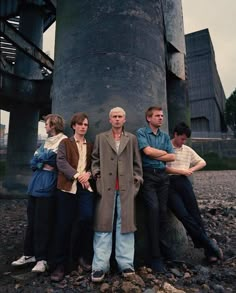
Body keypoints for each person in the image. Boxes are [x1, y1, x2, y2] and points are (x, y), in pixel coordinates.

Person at [91, 107, 143, 283]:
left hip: (127, 189)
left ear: (125, 119)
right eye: (114, 116)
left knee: (126, 225)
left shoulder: (132, 139)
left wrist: (136, 181)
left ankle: (126, 264)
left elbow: (137, 163)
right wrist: (98, 177)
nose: (117, 119)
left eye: (120, 116)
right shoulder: (100, 138)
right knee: (103, 225)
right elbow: (95, 161)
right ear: (109, 119)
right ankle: (99, 266)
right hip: (106, 188)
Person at [11, 114, 67, 273]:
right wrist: (42, 161)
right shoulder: (46, 142)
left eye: (47, 124)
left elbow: (52, 160)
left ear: (53, 125)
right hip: (35, 185)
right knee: (32, 222)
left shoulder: (62, 141)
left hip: (47, 186)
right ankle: (28, 254)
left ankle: (42, 258)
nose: (45, 126)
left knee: (43, 223)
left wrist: (40, 160)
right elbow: (33, 162)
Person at [166, 122, 223, 263]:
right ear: (175, 135)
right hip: (169, 184)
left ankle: (209, 250)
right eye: (182, 138)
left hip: (184, 183)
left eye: (185, 139)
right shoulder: (166, 146)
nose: (183, 141)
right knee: (183, 216)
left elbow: (202, 162)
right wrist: (182, 171)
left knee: (195, 215)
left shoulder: (187, 149)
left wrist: (191, 170)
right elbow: (162, 167)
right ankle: (209, 244)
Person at [50, 112, 95, 282]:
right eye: (80, 124)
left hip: (85, 188)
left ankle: (83, 256)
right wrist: (78, 176)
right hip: (67, 188)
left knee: (87, 218)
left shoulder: (90, 146)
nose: (83, 127)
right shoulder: (65, 143)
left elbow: (93, 164)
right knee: (63, 226)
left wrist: (89, 174)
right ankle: (60, 266)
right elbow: (61, 162)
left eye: (86, 124)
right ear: (74, 126)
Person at [136, 106, 175, 273]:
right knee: (153, 210)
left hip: (163, 177)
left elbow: (172, 156)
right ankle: (155, 257)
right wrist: (162, 153)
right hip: (148, 176)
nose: (161, 118)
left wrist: (155, 153)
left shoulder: (165, 136)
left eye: (162, 115)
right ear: (148, 118)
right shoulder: (142, 133)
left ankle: (164, 251)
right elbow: (147, 151)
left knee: (163, 213)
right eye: (157, 116)